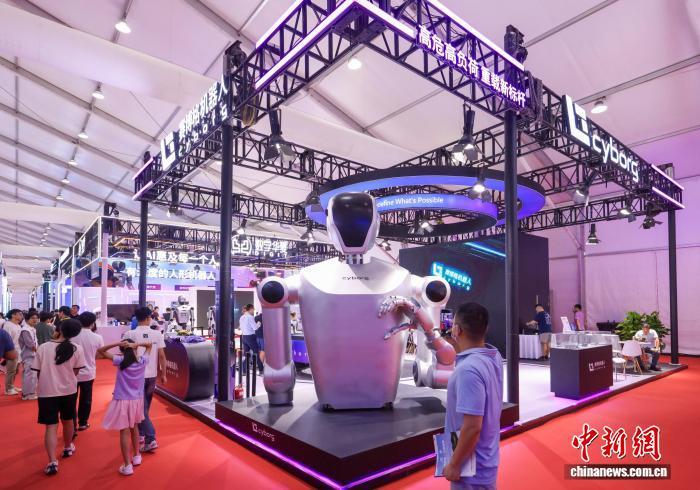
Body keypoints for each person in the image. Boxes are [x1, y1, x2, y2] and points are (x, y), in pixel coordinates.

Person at [442, 303, 503, 488]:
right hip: (485, 460)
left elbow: (472, 427)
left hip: (470, 470)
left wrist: (454, 465)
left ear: (457, 330)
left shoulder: (468, 370)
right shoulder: (493, 356)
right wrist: (457, 343)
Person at [32, 319, 86, 476]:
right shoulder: (77, 348)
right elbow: (76, 371)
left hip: (47, 392)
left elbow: (38, 372)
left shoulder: (43, 347)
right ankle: (68, 447)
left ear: (60, 329)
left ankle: (52, 461)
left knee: (51, 426)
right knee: (68, 420)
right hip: (69, 391)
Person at [99, 338, 152, 476]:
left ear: (121, 349)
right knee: (135, 427)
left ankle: (127, 465)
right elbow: (149, 345)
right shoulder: (142, 360)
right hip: (137, 400)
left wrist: (117, 343)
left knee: (124, 431)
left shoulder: (120, 360)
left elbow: (101, 351)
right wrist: (136, 344)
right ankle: (137, 456)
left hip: (122, 400)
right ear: (135, 348)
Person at [122, 307, 166, 453]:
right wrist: (163, 374)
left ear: (136, 318)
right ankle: (142, 433)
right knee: (144, 407)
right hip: (152, 375)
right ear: (148, 318)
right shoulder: (157, 334)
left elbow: (125, 355)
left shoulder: (129, 334)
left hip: (136, 376)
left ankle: (150, 438)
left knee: (141, 408)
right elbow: (162, 356)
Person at [72, 312, 104, 431]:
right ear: (93, 323)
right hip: (88, 372)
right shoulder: (97, 337)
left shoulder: (72, 335)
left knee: (71, 399)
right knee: (86, 398)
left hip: (72, 372)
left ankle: (72, 424)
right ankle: (83, 422)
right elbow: (100, 354)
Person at [19, 311, 40, 400]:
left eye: (36, 318)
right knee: (30, 375)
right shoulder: (26, 330)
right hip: (28, 355)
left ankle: (28, 392)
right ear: (27, 319)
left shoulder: (32, 328)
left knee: (31, 374)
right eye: (32, 318)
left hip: (32, 355)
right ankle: (28, 394)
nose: (35, 320)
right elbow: (30, 344)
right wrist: (39, 352)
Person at [3, 309, 23, 395]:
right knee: (11, 370)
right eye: (19, 314)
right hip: (11, 350)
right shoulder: (7, 325)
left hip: (19, 350)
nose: (21, 316)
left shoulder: (18, 325)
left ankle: (12, 385)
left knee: (16, 370)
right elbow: (6, 339)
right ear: (13, 315)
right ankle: (8, 389)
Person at [240, 304, 262, 372]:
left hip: (244, 337)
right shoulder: (250, 317)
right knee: (256, 353)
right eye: (253, 309)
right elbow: (255, 328)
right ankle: (261, 369)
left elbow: (241, 327)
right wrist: (259, 324)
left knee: (246, 354)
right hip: (251, 337)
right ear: (250, 309)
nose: (253, 311)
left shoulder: (242, 317)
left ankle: (244, 370)